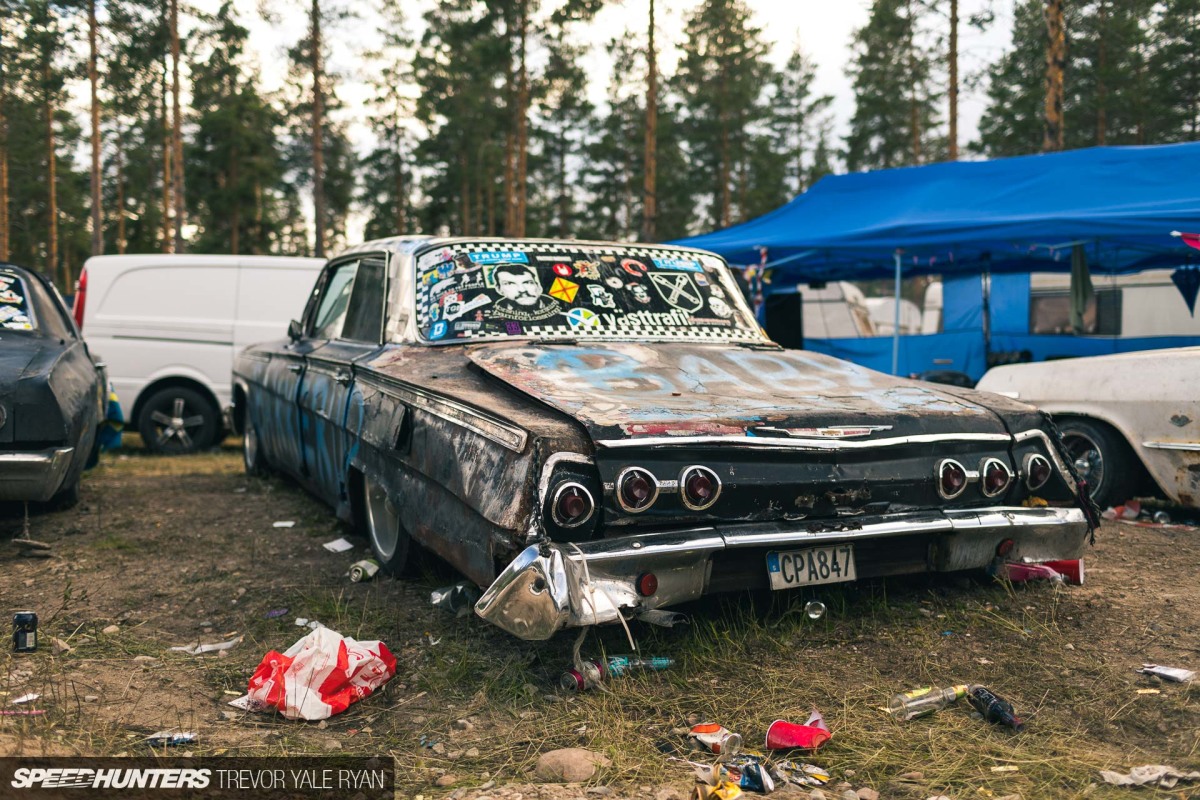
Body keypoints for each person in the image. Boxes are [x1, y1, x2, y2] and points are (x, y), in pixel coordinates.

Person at [491, 263, 560, 321]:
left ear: (538, 286)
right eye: (510, 284)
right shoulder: (493, 316)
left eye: (528, 282)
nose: (522, 290)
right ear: (499, 289)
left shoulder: (563, 303)